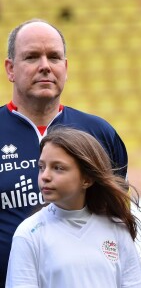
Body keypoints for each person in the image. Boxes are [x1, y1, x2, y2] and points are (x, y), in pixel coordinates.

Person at [0, 19, 128, 287]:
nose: (45, 66)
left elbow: (116, 217)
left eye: (54, 57)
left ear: (65, 68)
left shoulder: (99, 134)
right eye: (32, 57)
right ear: (10, 69)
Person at [5, 127, 141, 288]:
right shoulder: (29, 233)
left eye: (58, 168)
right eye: (41, 167)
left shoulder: (116, 227)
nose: (45, 176)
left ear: (87, 179)